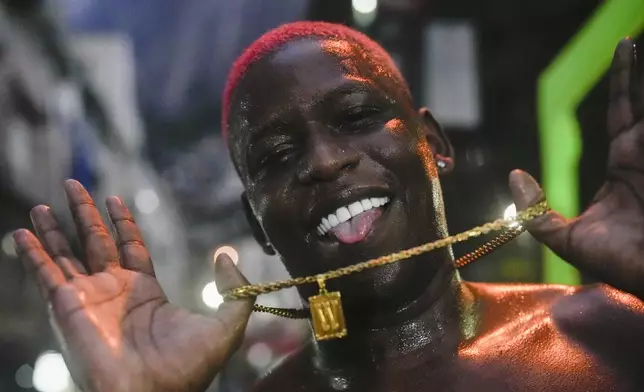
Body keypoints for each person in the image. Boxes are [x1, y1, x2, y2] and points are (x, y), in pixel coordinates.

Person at [12, 21, 644, 392]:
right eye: (276, 156)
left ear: (433, 146)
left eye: (357, 117)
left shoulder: (607, 332)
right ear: (258, 222)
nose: (320, 162)